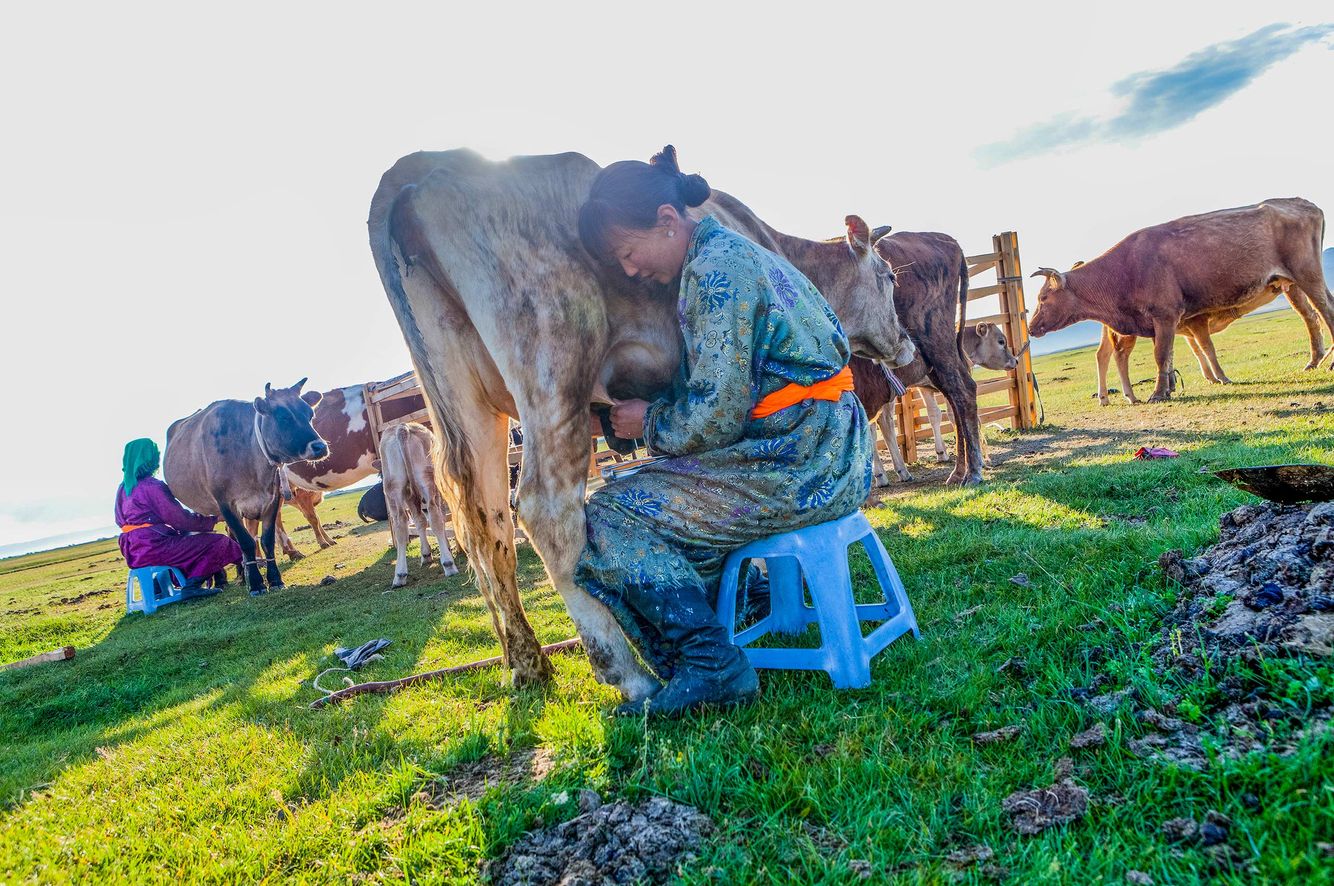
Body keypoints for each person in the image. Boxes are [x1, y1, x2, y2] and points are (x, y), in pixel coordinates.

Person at [575, 146, 875, 717]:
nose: (632, 270)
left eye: (629, 253)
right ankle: (744, 602)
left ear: (667, 220)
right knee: (662, 490)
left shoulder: (716, 273)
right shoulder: (732, 254)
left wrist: (648, 424)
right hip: (826, 446)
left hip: (801, 461)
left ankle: (711, 662)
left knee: (612, 512)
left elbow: (715, 414)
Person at [115, 438, 241, 599]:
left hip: (133, 550)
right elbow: (180, 520)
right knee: (219, 542)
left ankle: (159, 585)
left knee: (188, 542)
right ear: (152, 458)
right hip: (154, 547)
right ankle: (192, 586)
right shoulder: (152, 486)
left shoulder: (123, 488)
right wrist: (214, 519)